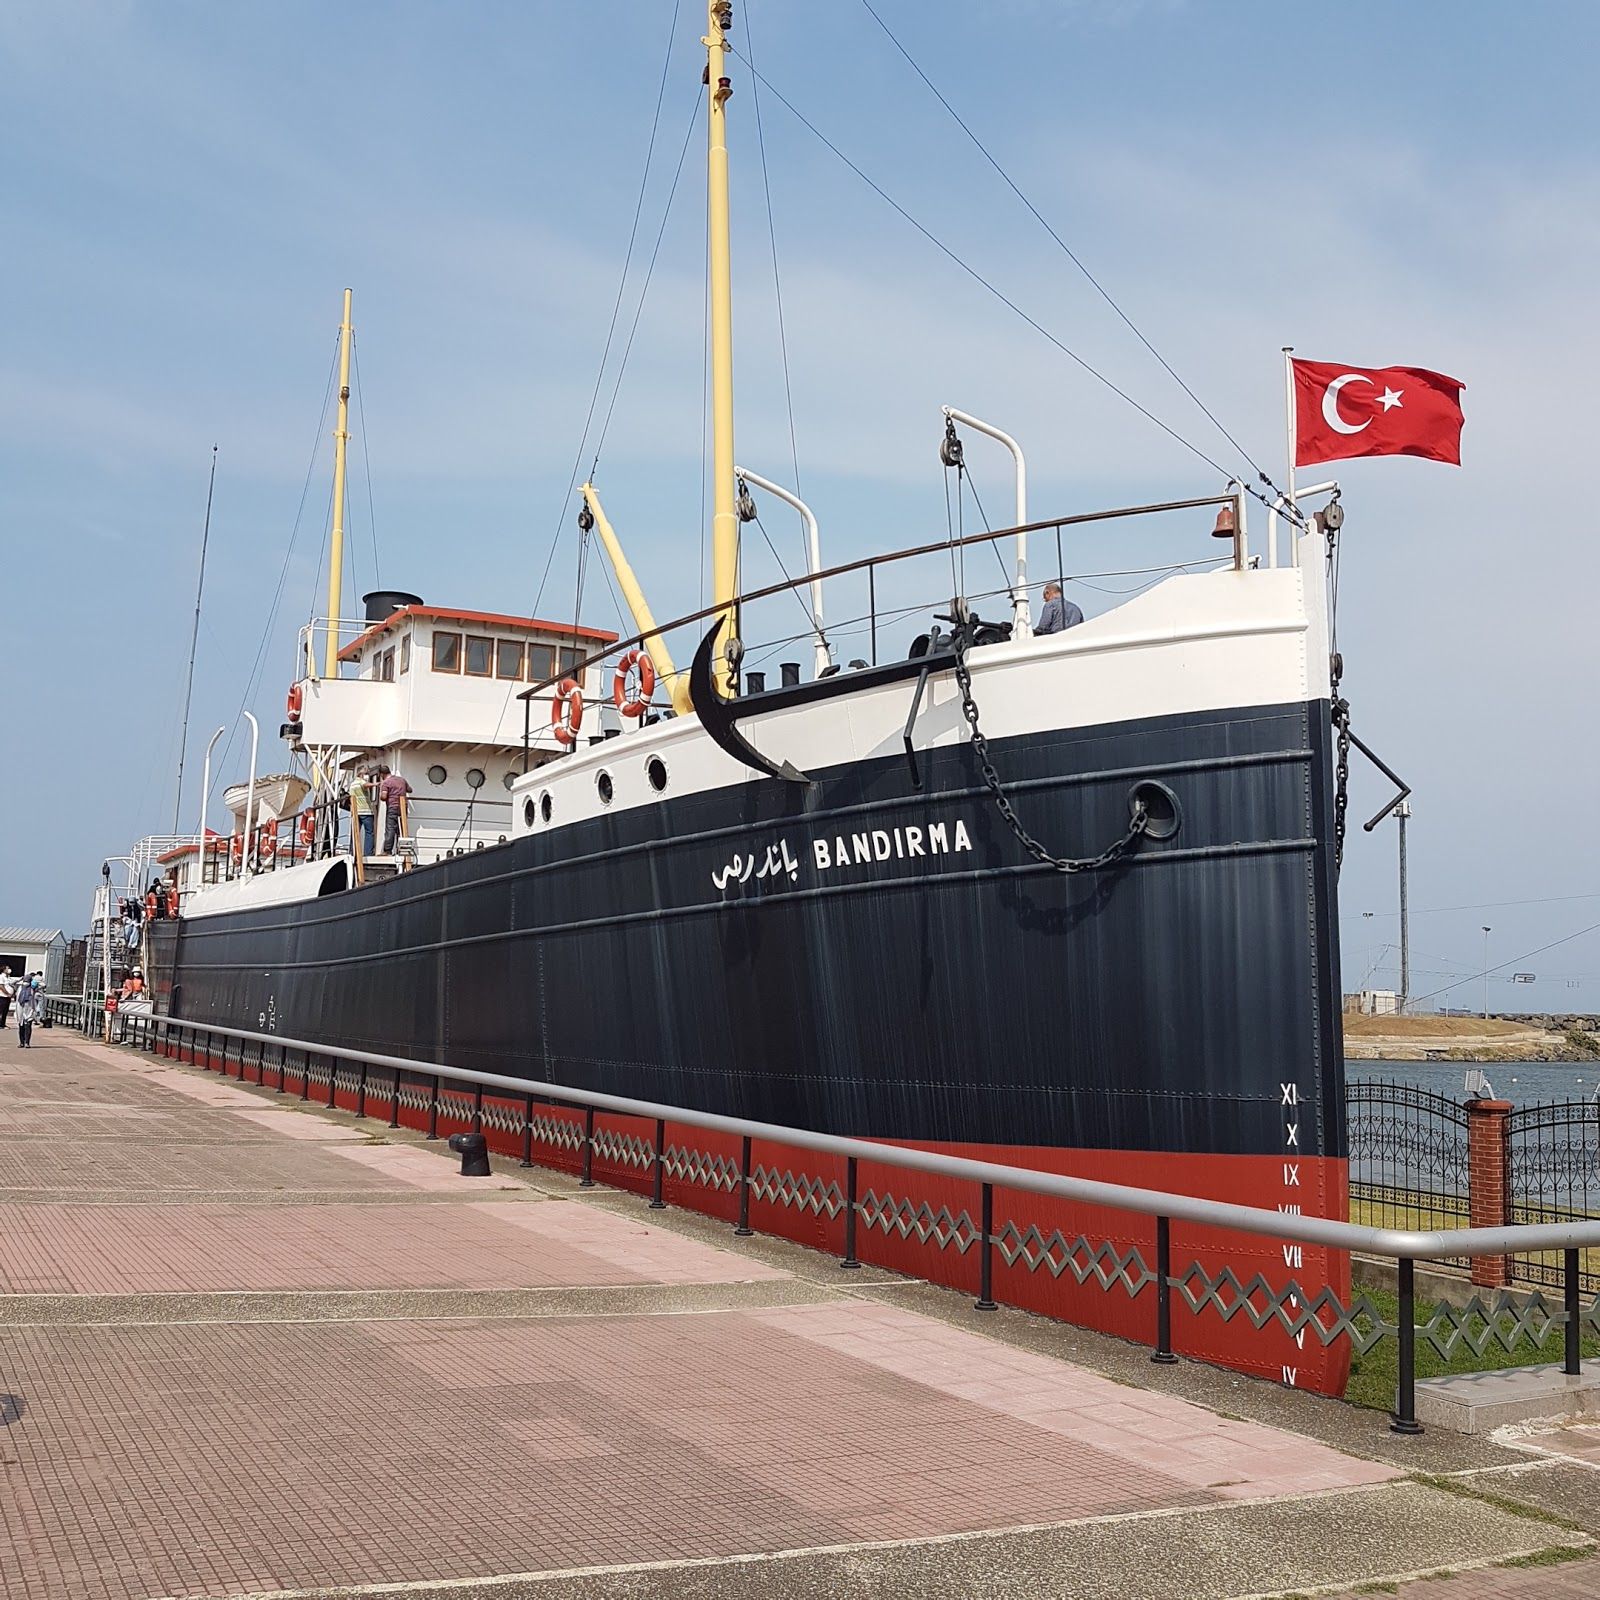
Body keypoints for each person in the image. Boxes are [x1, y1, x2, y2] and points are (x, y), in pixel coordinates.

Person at [377, 764, 412, 854]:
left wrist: (381, 793)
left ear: (382, 774)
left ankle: (387, 851)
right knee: (402, 828)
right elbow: (410, 789)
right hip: (403, 807)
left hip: (392, 807)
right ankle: (402, 850)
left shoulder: (386, 782)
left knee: (390, 829)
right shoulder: (401, 780)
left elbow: (384, 797)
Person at [349, 767, 376, 857]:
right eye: (367, 773)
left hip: (356, 812)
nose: (367, 776)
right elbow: (365, 785)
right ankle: (368, 853)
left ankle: (352, 852)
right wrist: (376, 784)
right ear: (362, 774)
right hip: (366, 811)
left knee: (355, 832)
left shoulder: (352, 784)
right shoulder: (361, 782)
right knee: (369, 832)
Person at [14, 976, 39, 1048]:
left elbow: (41, 986)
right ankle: (22, 1042)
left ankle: (26, 1042)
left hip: (29, 1009)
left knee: (27, 1025)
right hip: (20, 1009)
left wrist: (34, 983)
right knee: (21, 1026)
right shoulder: (19, 988)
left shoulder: (32, 988)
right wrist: (19, 979)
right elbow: (11, 984)